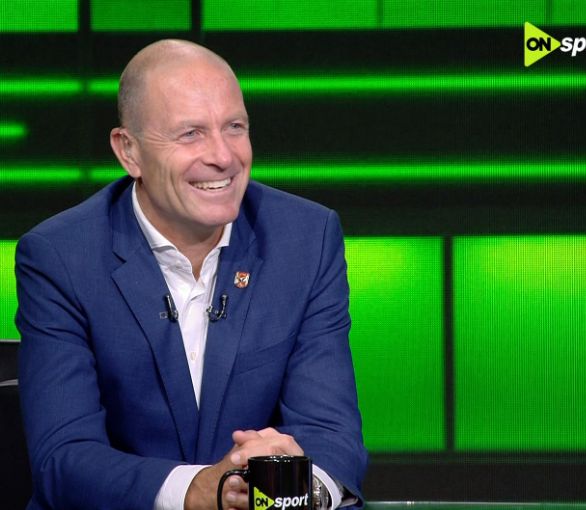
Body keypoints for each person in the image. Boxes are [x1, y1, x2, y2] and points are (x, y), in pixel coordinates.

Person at [15, 39, 367, 510]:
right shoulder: (61, 257)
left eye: (235, 127)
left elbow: (330, 432)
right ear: (129, 151)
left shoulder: (305, 240)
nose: (223, 156)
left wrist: (303, 491)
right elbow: (64, 459)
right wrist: (197, 489)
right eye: (191, 134)